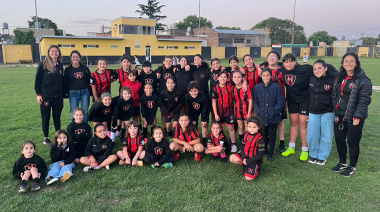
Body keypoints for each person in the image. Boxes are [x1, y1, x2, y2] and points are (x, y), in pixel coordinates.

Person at [331, 53, 372, 176]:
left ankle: (352, 167)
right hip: (340, 115)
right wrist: (336, 111)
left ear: (356, 63)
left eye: (351, 61)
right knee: (339, 139)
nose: (348, 63)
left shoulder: (363, 80)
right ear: (343, 63)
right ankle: (342, 163)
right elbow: (335, 95)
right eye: (346, 61)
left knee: (352, 142)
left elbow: (364, 100)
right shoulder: (340, 77)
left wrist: (358, 116)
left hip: (354, 116)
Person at [279, 53, 314, 161]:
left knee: (303, 124)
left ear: (295, 62)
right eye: (286, 61)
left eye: (290, 61)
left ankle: (305, 149)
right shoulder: (283, 69)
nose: (288, 64)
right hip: (292, 101)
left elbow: (320, 69)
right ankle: (291, 147)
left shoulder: (304, 69)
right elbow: (268, 66)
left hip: (304, 100)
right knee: (293, 123)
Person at [306, 60, 338, 165]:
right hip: (313, 111)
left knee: (326, 135)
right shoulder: (311, 77)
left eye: (320, 68)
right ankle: (313, 154)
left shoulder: (333, 78)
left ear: (326, 68)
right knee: (311, 135)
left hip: (327, 111)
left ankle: (322, 155)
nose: (317, 71)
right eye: (315, 69)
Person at [35, 45, 64, 146]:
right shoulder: (43, 64)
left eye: (56, 51)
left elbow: (61, 81)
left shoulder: (60, 65)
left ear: (59, 53)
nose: (54, 53)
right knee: (45, 117)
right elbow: (37, 80)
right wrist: (38, 94)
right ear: (49, 52)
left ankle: (58, 137)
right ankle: (46, 138)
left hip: (58, 97)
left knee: (57, 117)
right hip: (46, 96)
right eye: (52, 51)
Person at [254, 69, 285, 161]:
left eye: (268, 75)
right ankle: (264, 150)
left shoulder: (276, 87)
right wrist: (258, 111)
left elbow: (281, 100)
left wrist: (275, 111)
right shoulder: (257, 88)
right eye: (264, 76)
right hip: (261, 116)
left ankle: (271, 153)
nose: (266, 77)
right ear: (261, 76)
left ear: (271, 76)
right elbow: (255, 101)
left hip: (273, 116)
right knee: (263, 135)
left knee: (272, 135)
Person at [261, 51, 286, 153]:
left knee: (279, 121)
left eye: (274, 57)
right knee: (265, 122)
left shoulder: (282, 70)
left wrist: (286, 101)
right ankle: (266, 143)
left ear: (278, 59)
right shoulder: (263, 69)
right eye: (269, 57)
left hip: (279, 99)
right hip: (266, 99)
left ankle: (281, 142)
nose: (271, 58)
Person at [229, 116, 265, 181]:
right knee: (231, 158)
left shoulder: (260, 139)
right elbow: (242, 147)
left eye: (254, 127)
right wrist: (243, 158)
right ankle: (246, 166)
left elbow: (260, 154)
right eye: (249, 127)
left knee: (248, 178)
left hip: (254, 160)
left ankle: (257, 168)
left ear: (258, 127)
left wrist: (249, 161)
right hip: (246, 156)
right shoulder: (246, 134)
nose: (251, 129)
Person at [211, 70, 237, 152]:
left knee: (231, 127)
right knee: (221, 128)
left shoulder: (230, 85)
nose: (223, 78)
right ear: (218, 78)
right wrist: (215, 114)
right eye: (221, 77)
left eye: (225, 77)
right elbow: (214, 102)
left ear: (227, 78)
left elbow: (240, 79)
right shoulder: (215, 88)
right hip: (220, 112)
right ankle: (223, 143)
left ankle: (233, 144)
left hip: (229, 111)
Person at [64, 50, 92, 123]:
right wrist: (65, 93)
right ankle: (74, 129)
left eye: (77, 57)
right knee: (74, 111)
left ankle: (84, 129)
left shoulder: (84, 68)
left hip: (84, 92)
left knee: (85, 111)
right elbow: (65, 81)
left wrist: (91, 92)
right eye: (73, 57)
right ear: (71, 58)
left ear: (79, 58)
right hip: (73, 93)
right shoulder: (68, 69)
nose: (75, 58)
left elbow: (90, 79)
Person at [185, 81, 209, 147]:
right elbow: (189, 109)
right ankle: (195, 137)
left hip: (203, 109)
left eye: (195, 91)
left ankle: (204, 141)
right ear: (189, 91)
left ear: (198, 90)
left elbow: (205, 109)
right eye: (191, 91)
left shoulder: (203, 97)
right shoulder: (187, 97)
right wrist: (192, 119)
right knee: (193, 123)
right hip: (194, 111)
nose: (193, 93)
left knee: (204, 124)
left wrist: (204, 119)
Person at [232, 70, 253, 145]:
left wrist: (249, 113)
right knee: (241, 128)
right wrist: (235, 111)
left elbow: (250, 101)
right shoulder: (233, 88)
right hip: (238, 111)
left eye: (238, 77)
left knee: (248, 128)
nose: (236, 79)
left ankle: (249, 144)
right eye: (235, 77)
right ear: (232, 78)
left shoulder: (247, 87)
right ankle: (243, 144)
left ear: (242, 78)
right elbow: (235, 101)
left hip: (247, 111)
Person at [156, 56, 175, 132]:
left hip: (172, 94)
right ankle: (165, 128)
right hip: (162, 95)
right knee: (163, 112)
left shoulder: (174, 69)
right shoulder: (160, 70)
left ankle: (174, 129)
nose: (168, 63)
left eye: (170, 61)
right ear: (163, 62)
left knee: (173, 112)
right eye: (166, 61)